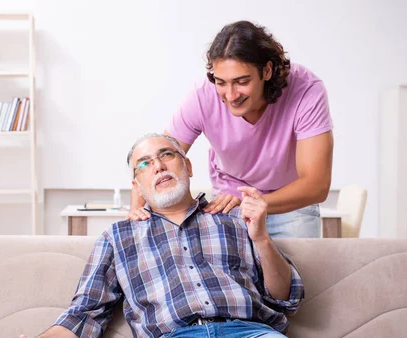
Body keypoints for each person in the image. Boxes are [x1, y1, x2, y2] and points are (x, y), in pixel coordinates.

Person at [0, 133, 327, 338]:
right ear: (137, 186)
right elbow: (83, 317)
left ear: (188, 167)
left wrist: (263, 240)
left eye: (167, 155)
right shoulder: (119, 237)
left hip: (250, 336)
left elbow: (288, 297)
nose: (157, 165)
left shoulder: (235, 218)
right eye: (144, 163)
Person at [128, 21, 334, 239]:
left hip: (291, 204)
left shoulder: (306, 90)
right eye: (221, 83)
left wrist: (254, 203)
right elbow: (158, 154)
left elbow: (316, 185)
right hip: (230, 202)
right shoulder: (203, 95)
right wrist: (136, 211)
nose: (231, 95)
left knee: (299, 271)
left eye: (242, 81)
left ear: (267, 70)